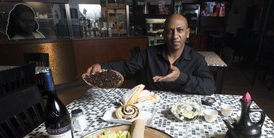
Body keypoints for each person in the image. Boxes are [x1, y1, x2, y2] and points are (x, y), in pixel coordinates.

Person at [86, 14, 216, 95]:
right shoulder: (149, 54)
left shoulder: (197, 59)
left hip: (181, 110)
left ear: (187, 33)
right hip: (150, 105)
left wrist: (180, 77)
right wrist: (102, 67)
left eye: (180, 30)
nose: (175, 36)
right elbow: (125, 66)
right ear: (164, 34)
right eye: (170, 31)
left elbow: (210, 87)